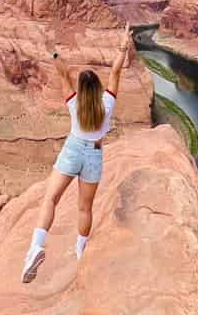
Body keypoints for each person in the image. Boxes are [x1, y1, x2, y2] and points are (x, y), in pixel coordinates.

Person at [21, 22, 132, 283]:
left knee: (50, 200)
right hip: (94, 156)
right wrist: (123, 47)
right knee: (85, 208)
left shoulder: (74, 104)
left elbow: (64, 75)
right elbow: (116, 71)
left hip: (72, 149)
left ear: (82, 90)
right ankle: (80, 251)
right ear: (97, 89)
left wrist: (53, 52)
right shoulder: (107, 103)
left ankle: (36, 246)